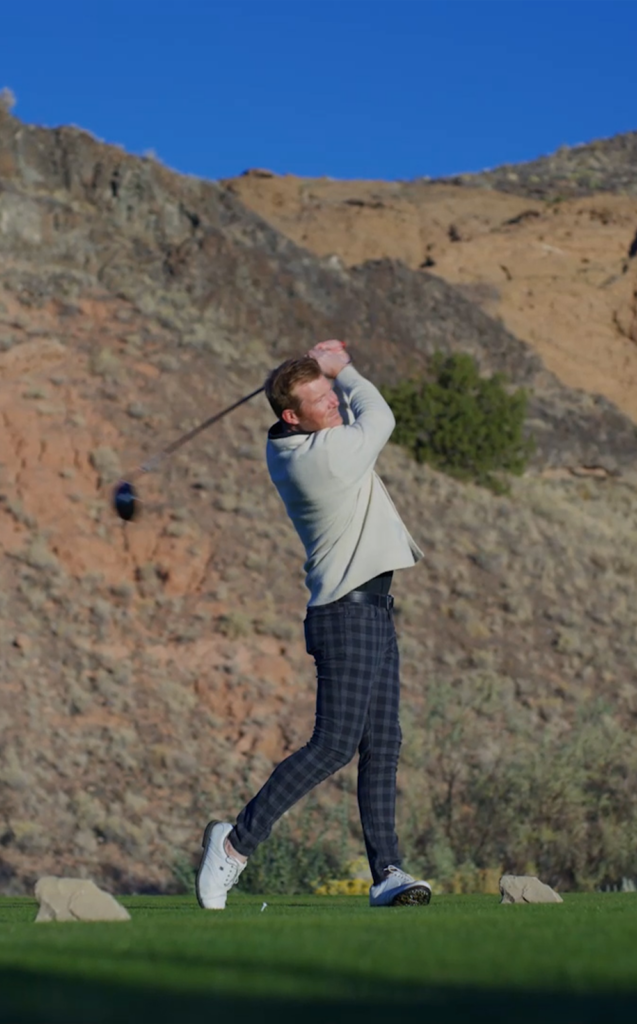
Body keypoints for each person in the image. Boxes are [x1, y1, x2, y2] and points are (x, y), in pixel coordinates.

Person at [195, 339, 431, 909]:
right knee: (333, 745)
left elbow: (345, 412)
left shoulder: (294, 443)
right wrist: (342, 368)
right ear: (290, 416)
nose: (334, 404)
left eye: (331, 395)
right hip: (347, 615)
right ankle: (235, 845)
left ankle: (388, 873)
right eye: (320, 399)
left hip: (371, 609)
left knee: (383, 743)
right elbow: (381, 414)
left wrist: (316, 376)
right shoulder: (325, 456)